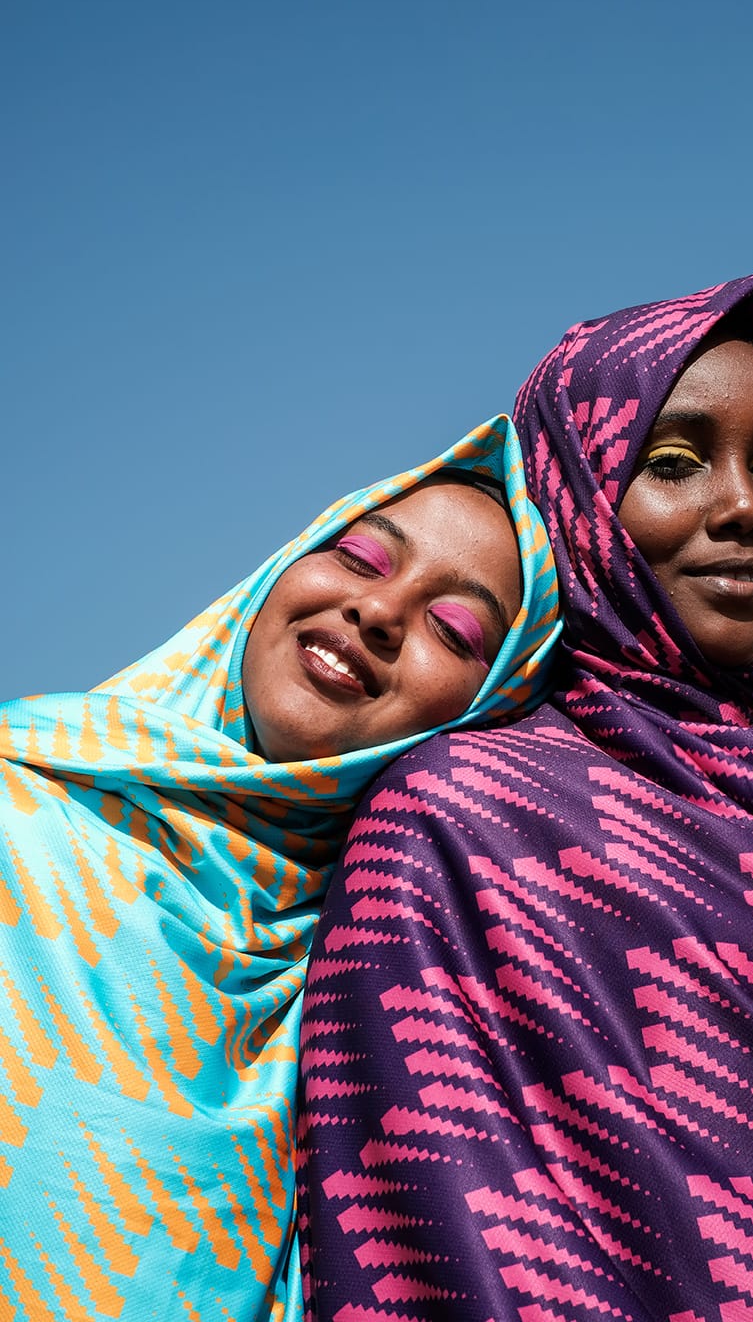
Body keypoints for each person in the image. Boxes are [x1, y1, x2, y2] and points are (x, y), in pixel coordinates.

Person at [297, 272, 753, 1320]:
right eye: (673, 462)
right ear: (575, 491)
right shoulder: (463, 824)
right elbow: (438, 1234)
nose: (742, 506)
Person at [0, 415, 559, 1322]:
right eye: (362, 560)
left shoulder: (390, 1011)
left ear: (488, 714)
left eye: (453, 629)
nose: (376, 612)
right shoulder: (19, 805)